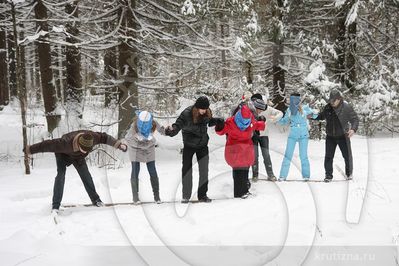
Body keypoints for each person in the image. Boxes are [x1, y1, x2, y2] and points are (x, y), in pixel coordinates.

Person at [25, 130, 127, 211]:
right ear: (79, 144)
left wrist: (119, 145)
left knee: (86, 176)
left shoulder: (92, 137)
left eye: (88, 150)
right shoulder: (63, 143)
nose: (86, 152)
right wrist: (30, 149)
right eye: (84, 150)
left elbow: (105, 137)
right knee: (61, 175)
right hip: (62, 155)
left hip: (78, 157)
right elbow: (46, 145)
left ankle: (96, 200)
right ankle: (55, 205)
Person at [165, 96, 224, 203]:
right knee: (187, 170)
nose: (203, 111)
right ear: (197, 107)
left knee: (204, 170)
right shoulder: (187, 113)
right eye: (202, 109)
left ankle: (202, 195)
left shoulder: (207, 112)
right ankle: (186, 196)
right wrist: (172, 130)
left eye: (205, 109)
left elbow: (208, 121)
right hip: (189, 145)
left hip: (202, 144)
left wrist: (217, 121)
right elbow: (178, 124)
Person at [216, 104, 266, 198]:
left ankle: (245, 191)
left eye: (247, 121)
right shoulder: (231, 122)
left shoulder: (250, 122)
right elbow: (221, 131)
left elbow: (257, 125)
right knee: (238, 174)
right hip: (235, 153)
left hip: (246, 152)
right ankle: (239, 195)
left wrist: (262, 121)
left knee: (245, 173)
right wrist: (219, 126)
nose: (244, 124)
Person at [313, 89, 359, 182]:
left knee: (347, 156)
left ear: (339, 99)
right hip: (330, 137)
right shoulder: (328, 107)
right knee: (328, 157)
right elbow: (321, 116)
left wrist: (353, 129)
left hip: (343, 136)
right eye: (331, 100)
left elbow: (355, 119)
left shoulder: (346, 107)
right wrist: (310, 115)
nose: (332, 102)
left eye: (334, 100)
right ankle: (328, 176)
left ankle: (349, 174)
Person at [124, 111, 165, 204]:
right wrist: (137, 137)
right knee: (135, 170)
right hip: (135, 148)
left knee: (152, 170)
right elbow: (127, 137)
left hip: (148, 147)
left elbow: (162, 130)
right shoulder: (134, 125)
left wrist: (171, 130)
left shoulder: (153, 122)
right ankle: (135, 197)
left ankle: (157, 196)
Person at [278, 93, 318, 181]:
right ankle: (282, 176)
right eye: (291, 100)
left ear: (298, 100)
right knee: (288, 155)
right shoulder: (289, 110)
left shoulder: (304, 108)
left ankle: (306, 176)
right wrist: (277, 119)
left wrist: (313, 113)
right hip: (292, 135)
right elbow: (284, 121)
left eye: (295, 100)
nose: (293, 102)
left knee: (303, 156)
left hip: (303, 135)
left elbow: (315, 115)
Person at [251, 97, 283, 182]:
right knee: (254, 156)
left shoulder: (268, 109)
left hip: (264, 135)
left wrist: (275, 118)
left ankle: (270, 174)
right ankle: (255, 175)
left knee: (266, 155)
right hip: (253, 135)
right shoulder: (252, 110)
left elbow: (280, 113)